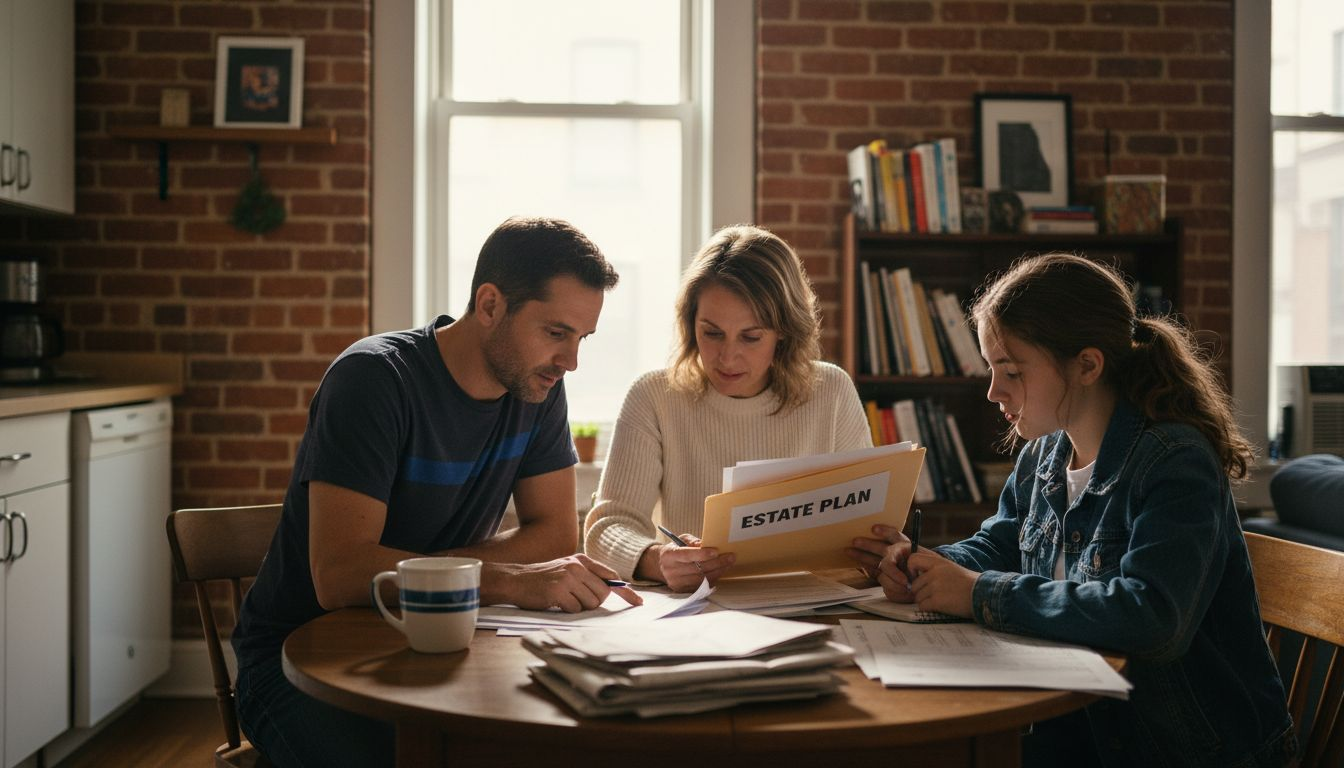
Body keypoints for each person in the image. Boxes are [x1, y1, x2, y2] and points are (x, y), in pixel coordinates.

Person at [850, 253, 1296, 766]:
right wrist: (924, 564)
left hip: (1190, 751)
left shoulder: (1175, 465)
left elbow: (1151, 617)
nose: (994, 392)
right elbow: (1000, 543)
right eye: (992, 371)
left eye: (1012, 371)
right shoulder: (1045, 453)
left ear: (1087, 365)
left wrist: (977, 593)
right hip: (1088, 734)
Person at [231, 216, 641, 768]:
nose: (570, 362)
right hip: (301, 660)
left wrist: (431, 575)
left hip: (440, 646)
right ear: (490, 304)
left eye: (581, 338)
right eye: (556, 333)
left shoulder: (538, 388)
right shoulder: (374, 380)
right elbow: (342, 575)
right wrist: (504, 578)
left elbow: (554, 536)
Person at [583, 225, 874, 592]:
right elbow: (606, 528)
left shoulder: (830, 391)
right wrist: (655, 560)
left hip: (810, 606)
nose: (727, 356)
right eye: (712, 333)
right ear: (690, 324)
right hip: (695, 612)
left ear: (784, 332)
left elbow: (866, 526)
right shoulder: (654, 396)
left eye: (751, 337)